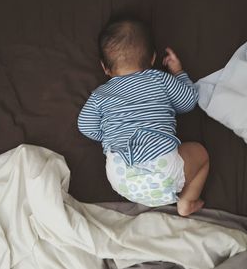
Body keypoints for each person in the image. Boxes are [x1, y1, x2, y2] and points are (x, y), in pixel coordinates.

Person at [78, 17, 209, 216]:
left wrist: (108, 134)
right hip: (164, 169)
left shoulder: (100, 95)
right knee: (201, 154)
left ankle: (151, 197)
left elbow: (85, 125)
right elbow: (188, 101)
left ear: (104, 68)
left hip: (120, 177)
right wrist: (178, 72)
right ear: (153, 59)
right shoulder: (160, 79)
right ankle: (187, 201)